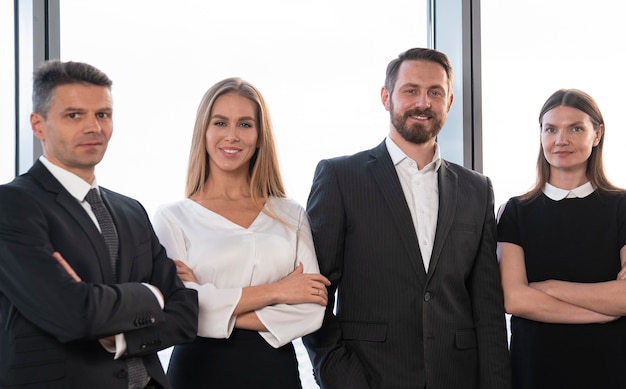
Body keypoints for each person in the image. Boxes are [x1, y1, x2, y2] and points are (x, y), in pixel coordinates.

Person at [302, 47, 512, 388]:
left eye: (435, 93)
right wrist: (342, 378)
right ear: (387, 97)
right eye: (410, 90)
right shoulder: (340, 177)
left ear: (450, 101)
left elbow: (487, 309)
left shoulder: (476, 189)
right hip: (370, 377)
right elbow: (314, 293)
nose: (422, 103)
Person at [0, 60, 198, 389]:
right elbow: (72, 313)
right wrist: (151, 293)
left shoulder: (131, 210)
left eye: (102, 114)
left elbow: (186, 317)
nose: (93, 127)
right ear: (38, 125)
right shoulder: (13, 205)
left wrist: (116, 339)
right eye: (74, 115)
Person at [152, 77, 330, 389]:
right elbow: (178, 309)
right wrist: (277, 291)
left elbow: (310, 309)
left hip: (274, 373)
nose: (232, 136)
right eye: (220, 122)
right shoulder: (173, 217)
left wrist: (209, 303)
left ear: (260, 136)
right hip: (198, 372)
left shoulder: (290, 214)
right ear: (204, 132)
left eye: (245, 124)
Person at [497, 88, 626, 389]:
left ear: (597, 134)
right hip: (535, 372)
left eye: (576, 128)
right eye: (551, 129)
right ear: (540, 135)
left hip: (611, 370)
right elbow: (514, 298)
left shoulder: (622, 207)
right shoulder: (515, 211)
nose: (560, 140)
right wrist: (602, 312)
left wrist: (550, 288)